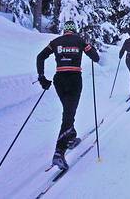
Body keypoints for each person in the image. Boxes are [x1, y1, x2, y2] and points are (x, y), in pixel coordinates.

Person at [36, 20, 99, 170]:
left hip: (59, 80)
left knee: (68, 110)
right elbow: (96, 58)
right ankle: (59, 152)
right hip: (74, 79)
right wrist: (90, 48)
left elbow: (40, 57)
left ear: (64, 30)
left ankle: (70, 135)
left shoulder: (56, 41)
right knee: (69, 114)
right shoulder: (80, 41)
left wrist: (41, 77)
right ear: (75, 30)